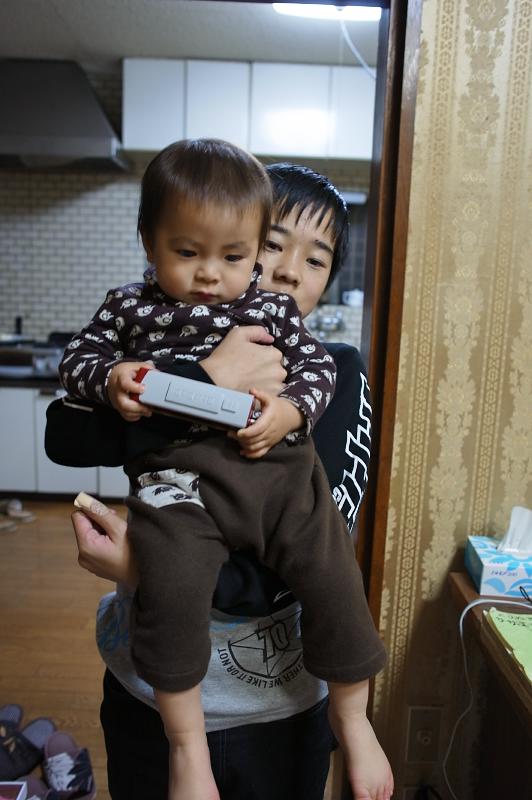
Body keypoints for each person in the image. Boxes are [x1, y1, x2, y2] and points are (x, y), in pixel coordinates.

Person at [56, 158, 393, 800]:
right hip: (148, 691)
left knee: (333, 569)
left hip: (281, 707)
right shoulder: (141, 313)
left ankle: (354, 718)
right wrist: (201, 378)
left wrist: (140, 567)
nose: (289, 270)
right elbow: (64, 432)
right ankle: (188, 747)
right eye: (273, 245)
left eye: (316, 259)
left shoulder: (323, 357)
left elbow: (291, 565)